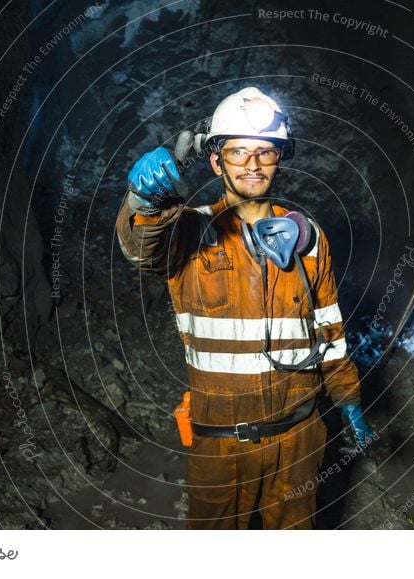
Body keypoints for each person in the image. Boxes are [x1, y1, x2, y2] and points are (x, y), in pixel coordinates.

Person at [116, 86, 372, 529]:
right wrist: (142, 201)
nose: (252, 164)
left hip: (299, 436)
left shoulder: (309, 238)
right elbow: (140, 248)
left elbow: (328, 328)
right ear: (216, 161)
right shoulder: (191, 228)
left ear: (280, 158)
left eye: (265, 152)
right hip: (221, 444)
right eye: (237, 152)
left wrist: (348, 398)